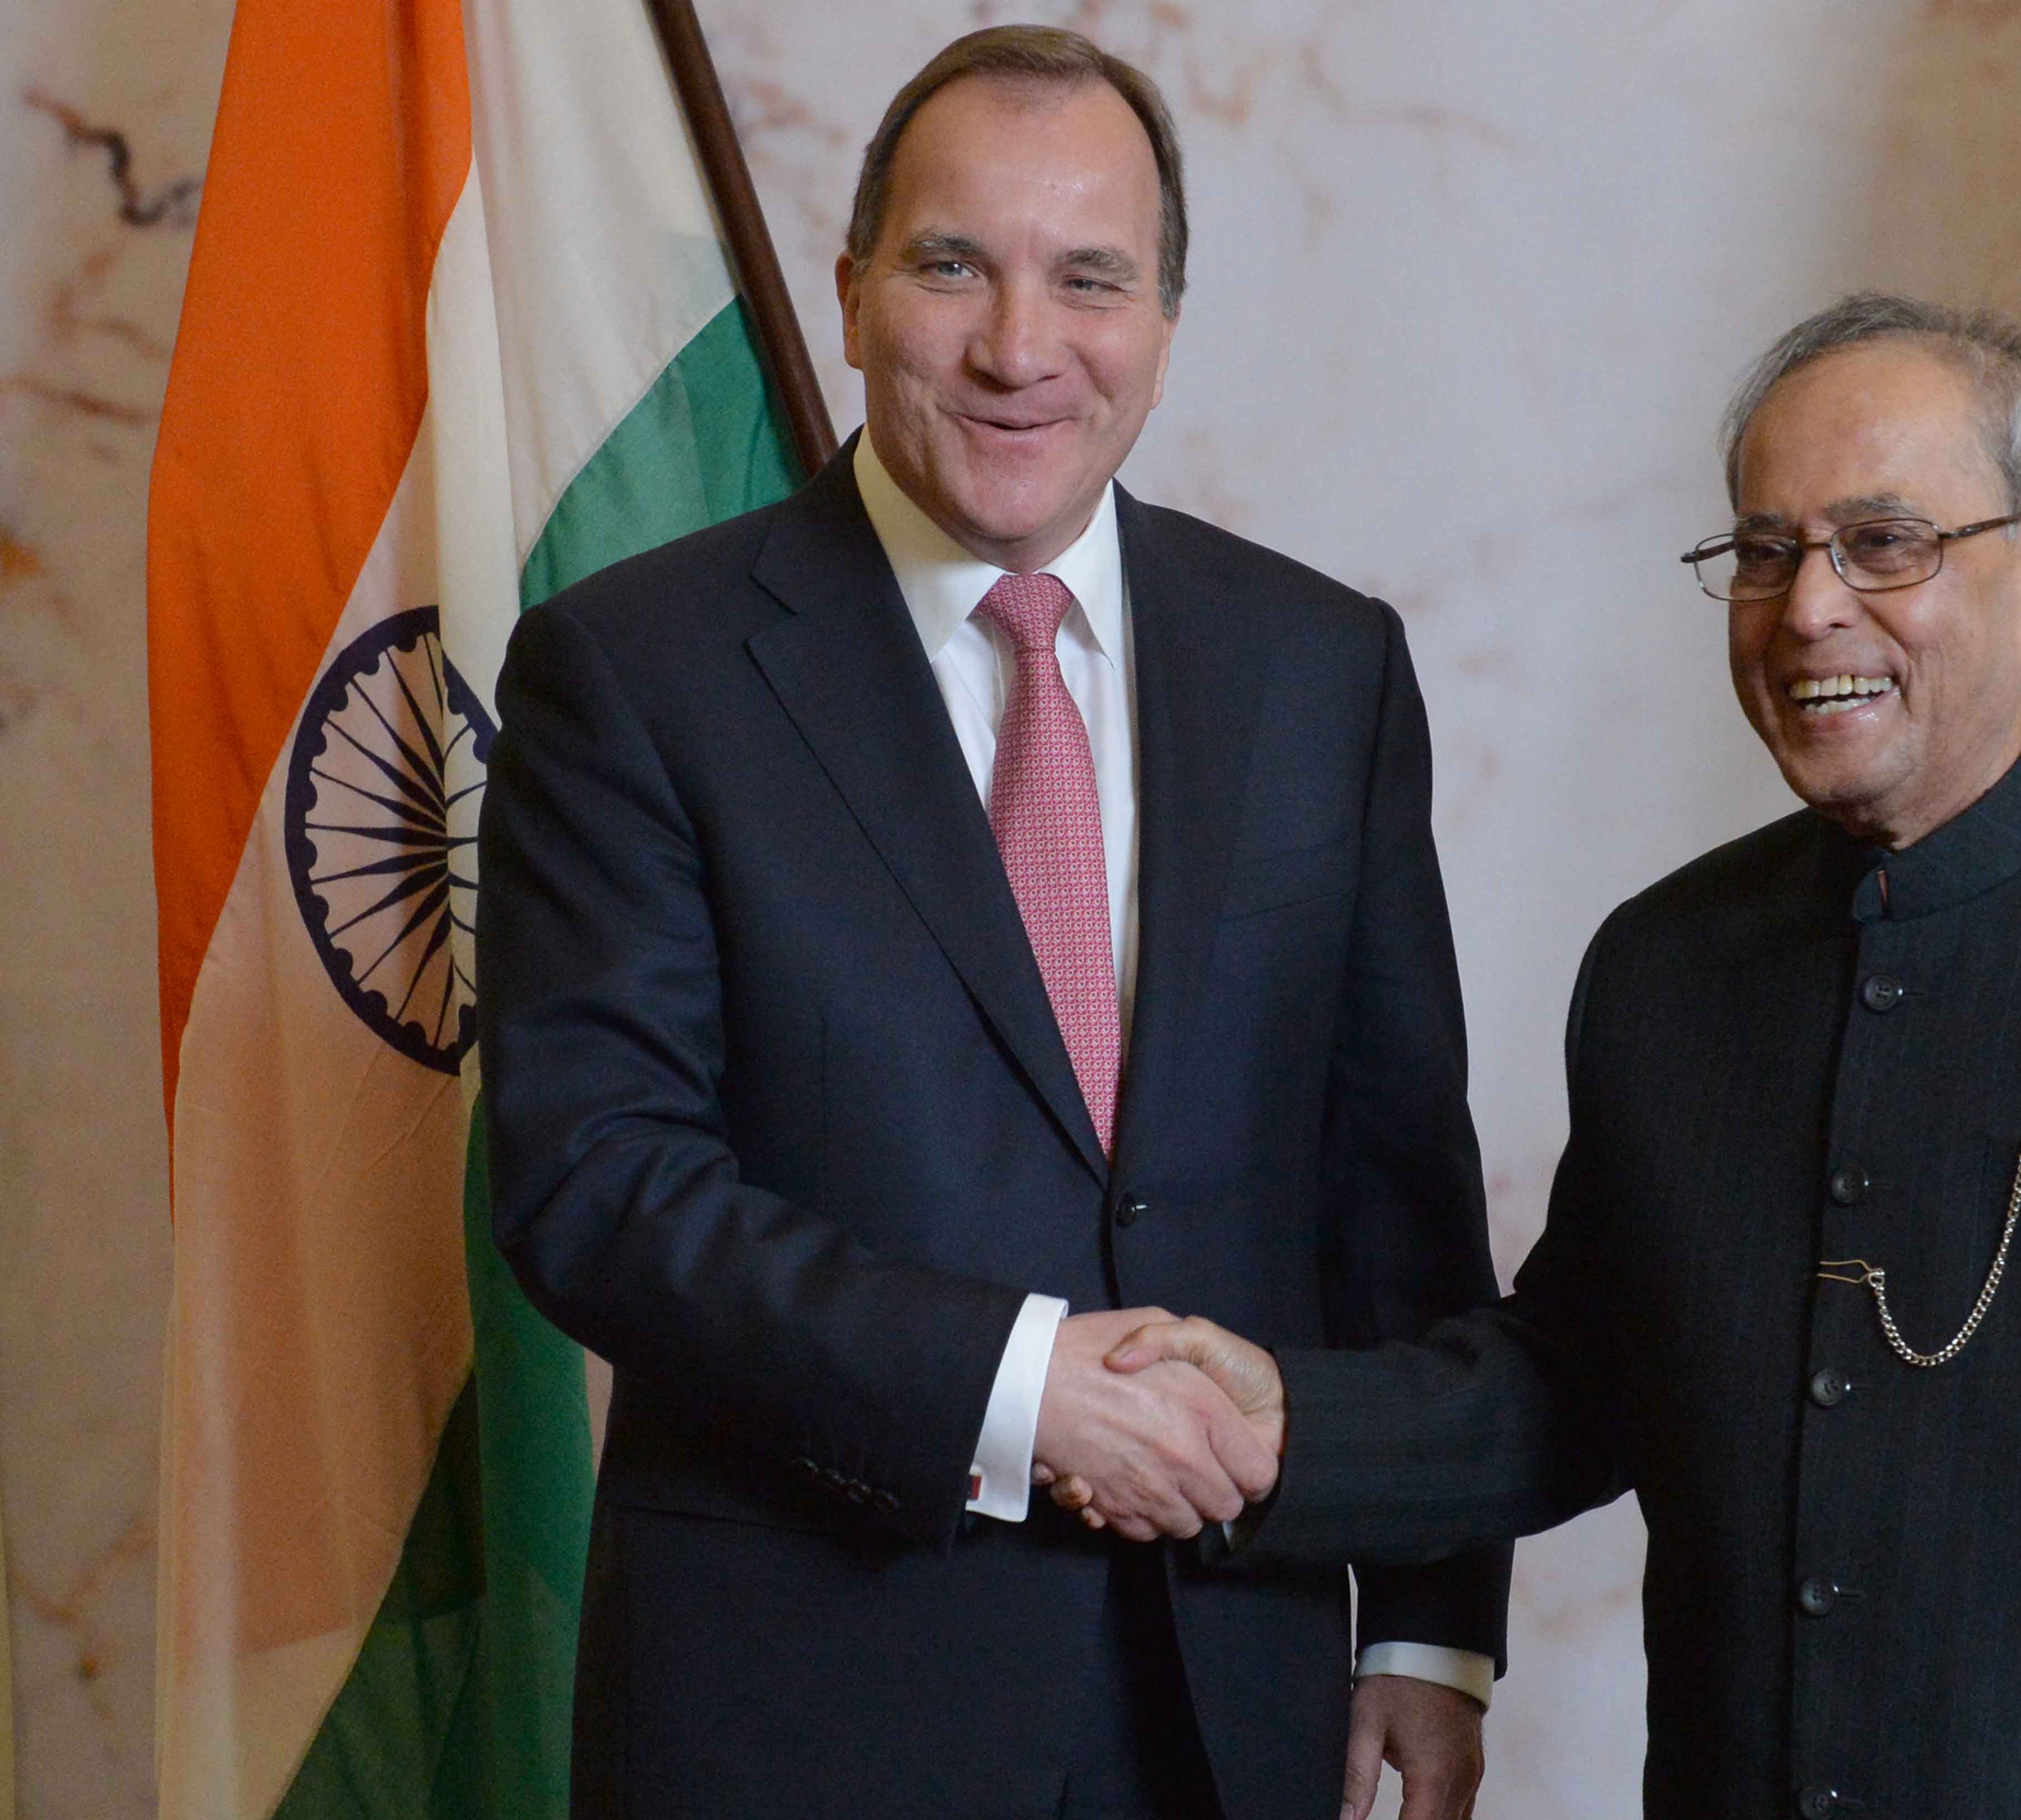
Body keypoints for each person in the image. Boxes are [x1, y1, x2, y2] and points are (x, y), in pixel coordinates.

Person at [1088, 295, 2021, 1817]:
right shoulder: (1664, 968)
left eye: (1886, 543)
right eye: (1765, 552)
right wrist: (1283, 1424)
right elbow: (1582, 1375)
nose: (1810, 608)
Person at [479, 26, 1507, 1820]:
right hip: (800, 1720)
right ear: (856, 290)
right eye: (954, 264)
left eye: (1090, 279)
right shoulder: (635, 675)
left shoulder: (1321, 671)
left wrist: (1423, 1635)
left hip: (1229, 1708)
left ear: (1167, 323)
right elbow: (599, 1186)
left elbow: (1398, 1201)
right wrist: (1021, 1388)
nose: (1022, 347)